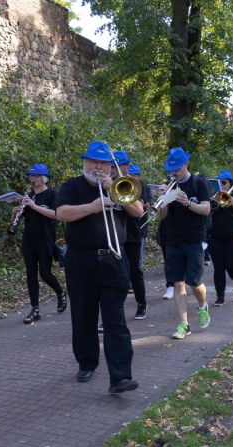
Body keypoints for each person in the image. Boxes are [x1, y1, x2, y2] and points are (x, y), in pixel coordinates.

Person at [55, 141, 142, 394]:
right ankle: (87, 362)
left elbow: (137, 211)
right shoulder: (72, 186)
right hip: (80, 259)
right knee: (83, 314)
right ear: (84, 162)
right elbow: (61, 213)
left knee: (115, 318)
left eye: (103, 163)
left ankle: (121, 377)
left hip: (114, 259)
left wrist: (114, 192)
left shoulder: (118, 186)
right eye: (93, 162)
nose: (98, 167)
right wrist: (92, 207)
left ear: (111, 167)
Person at [157, 147, 212, 339]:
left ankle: (202, 305)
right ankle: (184, 324)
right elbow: (161, 216)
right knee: (178, 282)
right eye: (171, 169)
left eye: (177, 169)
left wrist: (188, 203)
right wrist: (162, 200)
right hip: (173, 239)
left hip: (194, 239)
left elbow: (206, 210)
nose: (174, 173)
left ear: (186, 164)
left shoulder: (199, 183)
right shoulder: (169, 185)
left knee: (194, 283)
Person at [11, 163, 67, 325]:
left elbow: (56, 215)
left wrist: (34, 206)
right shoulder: (28, 195)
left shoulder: (51, 195)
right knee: (30, 274)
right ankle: (35, 309)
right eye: (31, 176)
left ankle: (60, 292)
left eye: (35, 176)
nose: (32, 178)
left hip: (45, 239)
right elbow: (16, 221)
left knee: (45, 273)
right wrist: (14, 213)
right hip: (29, 240)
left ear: (43, 178)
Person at [111, 153, 149, 320]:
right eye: (113, 166)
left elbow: (139, 208)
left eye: (120, 166)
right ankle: (113, 312)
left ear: (126, 166)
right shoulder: (105, 184)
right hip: (112, 236)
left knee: (134, 271)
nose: (116, 170)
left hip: (132, 233)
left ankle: (141, 304)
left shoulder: (136, 184)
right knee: (113, 276)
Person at [209, 170, 233, 306]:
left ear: (230, 183)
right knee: (218, 267)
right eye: (218, 183)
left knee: (232, 266)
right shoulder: (211, 196)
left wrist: (227, 196)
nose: (221, 185)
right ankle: (220, 296)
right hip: (215, 236)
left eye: (223, 182)